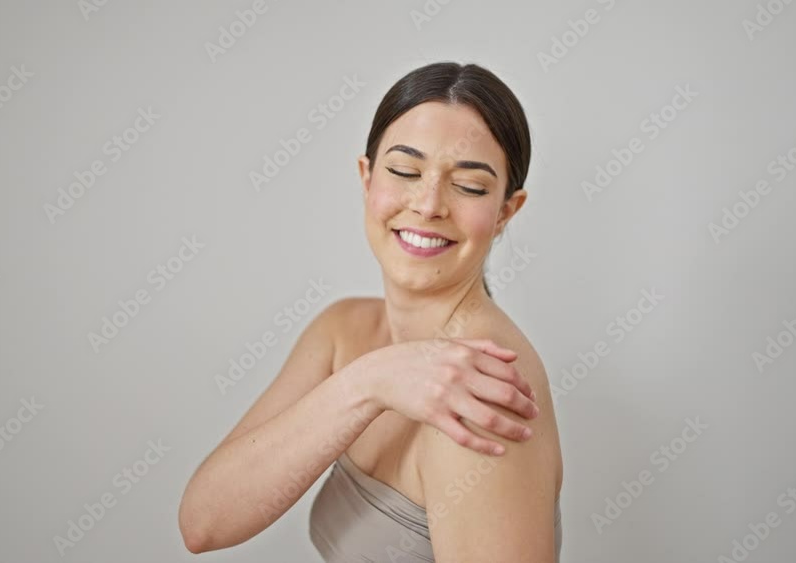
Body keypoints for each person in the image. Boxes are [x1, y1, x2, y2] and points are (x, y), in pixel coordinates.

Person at [178, 61, 563, 562]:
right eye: (405, 171)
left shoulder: (482, 392)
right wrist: (369, 382)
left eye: (469, 186)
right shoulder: (344, 331)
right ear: (366, 178)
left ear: (506, 212)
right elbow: (204, 524)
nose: (428, 204)